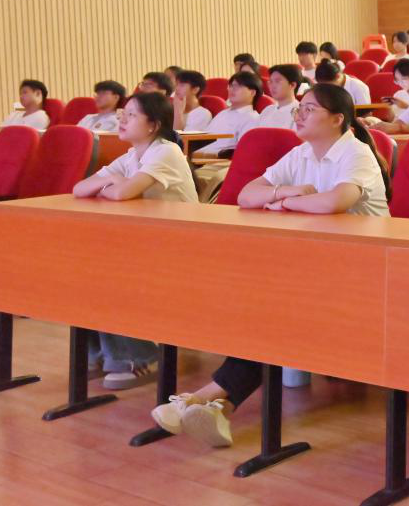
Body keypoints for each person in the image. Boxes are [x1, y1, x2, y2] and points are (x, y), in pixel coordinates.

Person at [150, 84, 391, 448]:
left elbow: (335, 202)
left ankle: (200, 398)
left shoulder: (356, 153)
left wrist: (283, 203)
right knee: (265, 305)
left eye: (310, 109)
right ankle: (217, 405)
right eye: (300, 108)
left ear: (337, 119)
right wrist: (286, 192)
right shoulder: (301, 154)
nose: (300, 114)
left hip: (368, 271)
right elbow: (247, 194)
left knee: (277, 312)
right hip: (318, 266)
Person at [74, 91, 197, 391]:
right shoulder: (132, 155)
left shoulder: (166, 151)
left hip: (184, 247)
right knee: (82, 268)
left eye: (131, 115)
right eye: (123, 113)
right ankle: (102, 353)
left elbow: (121, 193)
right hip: (148, 240)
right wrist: (113, 181)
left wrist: (113, 186)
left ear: (153, 125)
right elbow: (79, 188)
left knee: (109, 274)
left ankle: (138, 357)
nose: (122, 119)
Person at [192, 72, 262, 158]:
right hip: (196, 157)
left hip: (215, 161)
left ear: (252, 93)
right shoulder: (223, 113)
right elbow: (203, 139)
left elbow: (242, 153)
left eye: (238, 86)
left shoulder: (252, 119)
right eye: (231, 86)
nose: (232, 89)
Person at [254, 64, 302, 129]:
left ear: (292, 85)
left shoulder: (300, 113)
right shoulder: (267, 110)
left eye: (277, 81)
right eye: (271, 82)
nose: (272, 86)